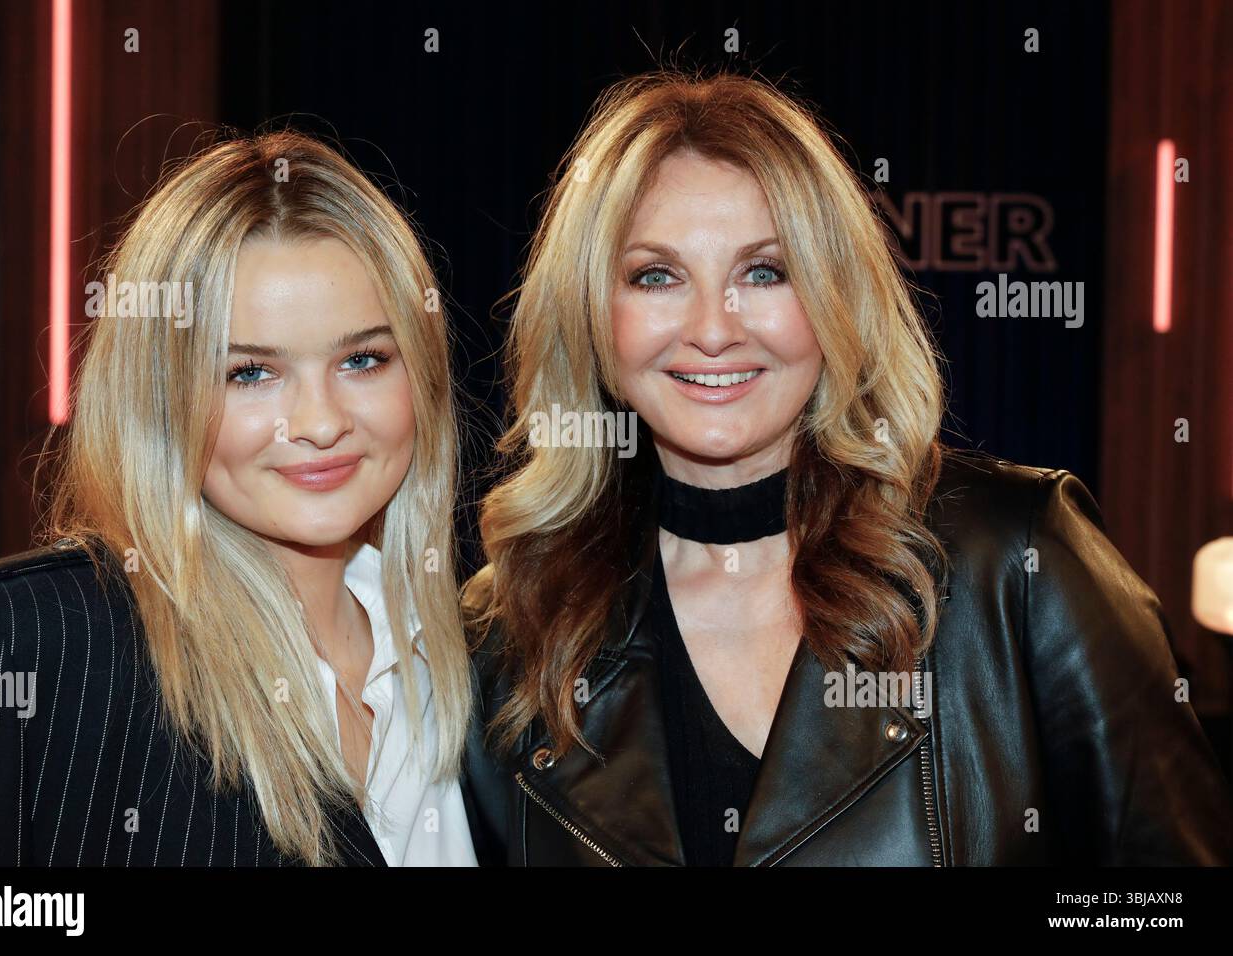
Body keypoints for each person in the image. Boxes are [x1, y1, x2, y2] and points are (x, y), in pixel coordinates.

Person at [460, 70, 1233, 866]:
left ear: (836, 296)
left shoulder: (1017, 560)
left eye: (766, 271)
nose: (713, 330)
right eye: (656, 275)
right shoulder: (514, 630)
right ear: (592, 314)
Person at [0, 131, 475, 866]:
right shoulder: (27, 643)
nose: (319, 423)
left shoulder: (477, 664)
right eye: (250, 373)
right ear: (161, 399)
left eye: (362, 359)